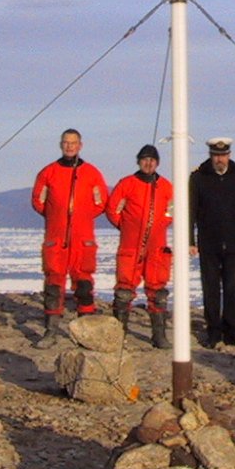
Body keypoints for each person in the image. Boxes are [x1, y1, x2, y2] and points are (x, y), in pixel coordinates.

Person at [30, 128, 109, 337]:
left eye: (73, 143)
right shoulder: (48, 173)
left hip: (82, 239)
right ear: (61, 144)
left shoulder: (92, 173)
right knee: (54, 284)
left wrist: (81, 216)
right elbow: (38, 201)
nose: (69, 146)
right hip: (56, 238)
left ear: (80, 145)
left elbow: (101, 202)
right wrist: (57, 215)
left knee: (84, 283)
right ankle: (51, 330)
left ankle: (86, 330)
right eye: (66, 142)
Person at [188, 137, 235, 348]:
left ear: (229, 155)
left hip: (234, 242)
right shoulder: (198, 177)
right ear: (210, 156)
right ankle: (213, 332)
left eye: (223, 155)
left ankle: (232, 332)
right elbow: (190, 211)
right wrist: (190, 241)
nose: (219, 159)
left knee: (231, 287)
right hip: (208, 243)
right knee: (210, 288)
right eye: (216, 155)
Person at [105, 143, 173, 350]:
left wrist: (159, 225)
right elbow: (112, 210)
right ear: (138, 161)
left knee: (158, 291)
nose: (148, 163)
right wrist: (127, 227)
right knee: (124, 291)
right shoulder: (126, 184)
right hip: (131, 245)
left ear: (157, 162)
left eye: (152, 160)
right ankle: (119, 335)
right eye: (144, 159)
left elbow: (171, 212)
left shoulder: (167, 187)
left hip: (157, 246)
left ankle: (159, 335)